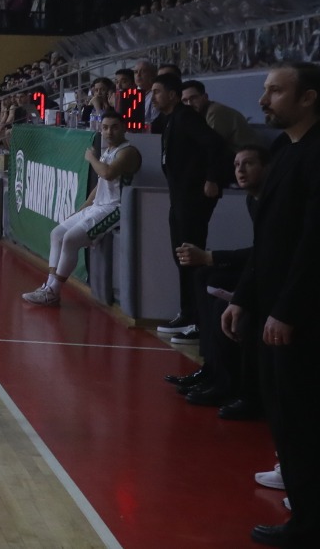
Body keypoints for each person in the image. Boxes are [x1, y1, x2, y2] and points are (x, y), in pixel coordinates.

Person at [223, 63, 320, 548]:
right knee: (284, 416)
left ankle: (310, 526)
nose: (264, 100)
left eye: (276, 91)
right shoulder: (284, 150)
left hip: (301, 316)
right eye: (265, 90)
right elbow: (268, 240)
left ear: (308, 98)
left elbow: (311, 243)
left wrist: (287, 310)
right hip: (272, 307)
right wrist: (244, 297)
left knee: (302, 418)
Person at [173, 144, 268, 418]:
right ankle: (211, 368)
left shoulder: (273, 200)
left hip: (272, 273)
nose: (240, 170)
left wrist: (212, 256)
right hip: (259, 267)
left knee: (221, 302)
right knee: (204, 276)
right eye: (237, 165)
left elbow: (264, 252)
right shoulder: (252, 200)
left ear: (267, 168)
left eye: (248, 164)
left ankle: (231, 386)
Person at [23, 111, 141, 308]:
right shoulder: (108, 151)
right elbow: (100, 185)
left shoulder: (127, 151)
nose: (109, 132)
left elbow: (108, 173)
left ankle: (53, 291)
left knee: (70, 239)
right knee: (57, 233)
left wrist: (91, 158)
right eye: (105, 128)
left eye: (114, 127)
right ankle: (49, 286)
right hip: (98, 206)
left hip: (115, 208)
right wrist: (83, 208)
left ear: (124, 128)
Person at [152, 71, 234, 341]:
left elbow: (215, 143)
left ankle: (199, 321)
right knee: (181, 256)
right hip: (179, 197)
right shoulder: (170, 120)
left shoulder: (187, 118)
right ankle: (187, 312)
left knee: (191, 255)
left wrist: (212, 179)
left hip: (192, 198)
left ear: (173, 95)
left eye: (157, 92)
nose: (153, 97)